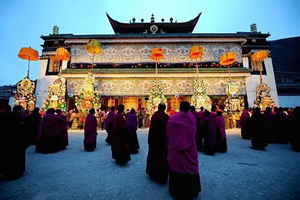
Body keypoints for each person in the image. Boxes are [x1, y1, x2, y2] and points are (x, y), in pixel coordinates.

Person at [166, 101, 201, 200]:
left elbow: (168, 132)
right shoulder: (192, 118)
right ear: (189, 108)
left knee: (177, 166)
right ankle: (191, 190)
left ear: (179, 108)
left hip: (176, 148)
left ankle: (176, 190)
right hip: (190, 148)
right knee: (189, 166)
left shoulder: (173, 118)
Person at [0, 105, 28, 180]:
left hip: (6, 140)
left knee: (7, 156)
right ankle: (17, 170)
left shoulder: (4, 117)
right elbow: (22, 129)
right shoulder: (17, 118)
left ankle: (7, 171)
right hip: (16, 140)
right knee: (16, 156)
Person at [146, 103, 169, 183]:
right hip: (163, 139)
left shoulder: (154, 116)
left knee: (154, 155)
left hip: (154, 139)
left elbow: (151, 128)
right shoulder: (166, 117)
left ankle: (152, 172)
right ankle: (162, 173)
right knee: (162, 156)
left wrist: (149, 138)